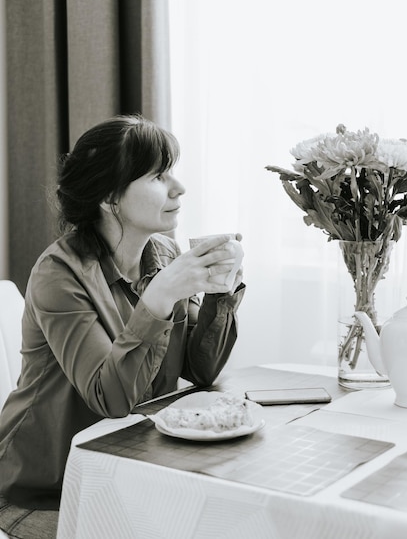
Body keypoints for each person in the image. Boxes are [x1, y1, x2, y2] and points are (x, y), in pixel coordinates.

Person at [0, 114, 245, 538]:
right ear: (110, 196)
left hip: (125, 477)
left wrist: (221, 289)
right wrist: (158, 300)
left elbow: (199, 372)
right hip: (44, 492)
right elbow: (111, 399)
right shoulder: (58, 275)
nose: (179, 188)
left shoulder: (163, 254)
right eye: (158, 176)